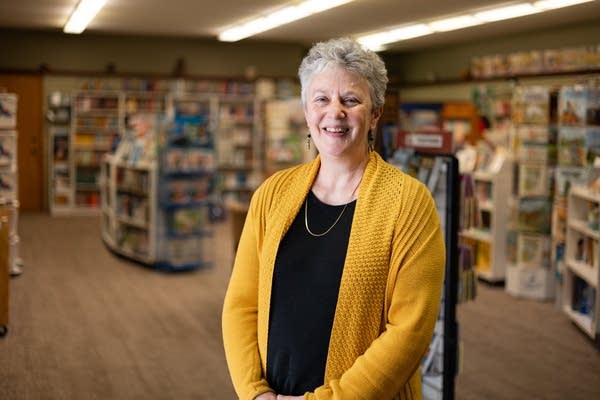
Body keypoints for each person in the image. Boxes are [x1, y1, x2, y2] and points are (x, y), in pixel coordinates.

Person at [222, 37, 445, 400]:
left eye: (351, 100)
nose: (335, 112)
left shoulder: (408, 203)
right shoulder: (271, 194)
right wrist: (255, 393)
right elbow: (240, 306)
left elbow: (410, 330)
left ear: (375, 114)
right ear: (307, 112)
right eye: (321, 99)